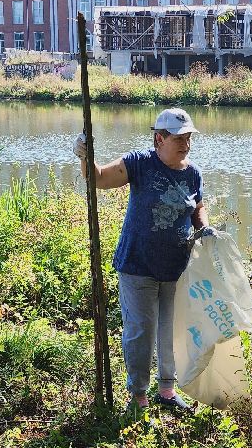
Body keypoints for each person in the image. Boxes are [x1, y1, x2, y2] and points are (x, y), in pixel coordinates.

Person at [75, 107, 216, 414]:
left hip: (176, 269)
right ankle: (138, 396)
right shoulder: (139, 163)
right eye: (178, 138)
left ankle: (166, 390)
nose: (186, 144)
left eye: (189, 138)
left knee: (171, 332)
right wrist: (85, 156)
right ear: (159, 139)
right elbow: (97, 179)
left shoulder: (193, 173)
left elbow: (197, 207)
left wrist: (204, 228)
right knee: (140, 332)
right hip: (137, 266)